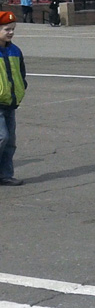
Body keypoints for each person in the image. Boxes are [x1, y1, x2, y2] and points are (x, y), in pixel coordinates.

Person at [0, 11, 27, 186]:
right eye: (6, 29)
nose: (10, 32)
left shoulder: (15, 50)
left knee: (10, 141)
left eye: (12, 29)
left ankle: (5, 175)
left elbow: (21, 73)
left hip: (10, 102)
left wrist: (22, 87)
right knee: (2, 136)